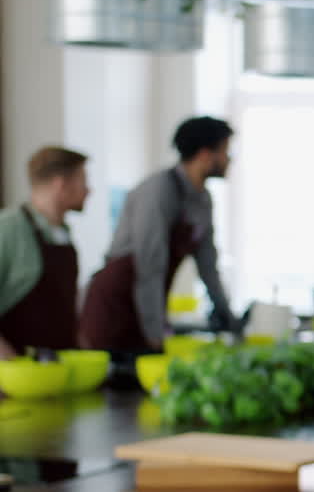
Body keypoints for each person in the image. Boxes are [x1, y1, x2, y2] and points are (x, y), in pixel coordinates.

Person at [80, 117, 237, 353]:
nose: (229, 159)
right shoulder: (157, 191)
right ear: (205, 155)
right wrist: (155, 334)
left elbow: (208, 266)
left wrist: (229, 320)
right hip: (116, 301)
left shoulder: (203, 200)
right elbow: (149, 267)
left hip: (149, 301)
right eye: (225, 151)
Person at [0, 147, 90, 358]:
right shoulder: (9, 227)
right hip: (16, 375)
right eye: (83, 181)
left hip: (57, 368)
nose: (89, 190)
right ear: (61, 184)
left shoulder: (62, 232)